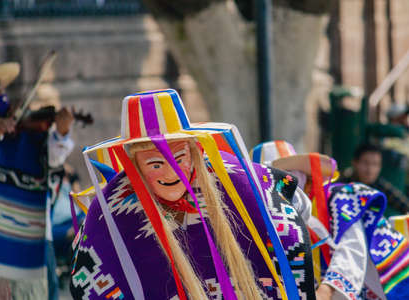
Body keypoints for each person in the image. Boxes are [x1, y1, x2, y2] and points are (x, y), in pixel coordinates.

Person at [70, 89, 316, 299]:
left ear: (196, 151)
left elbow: (296, 213)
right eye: (155, 164)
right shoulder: (112, 212)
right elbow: (92, 272)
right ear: (133, 166)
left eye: (179, 158)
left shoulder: (238, 182)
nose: (170, 173)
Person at [251, 140, 409, 300]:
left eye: (284, 178)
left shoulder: (340, 197)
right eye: (269, 182)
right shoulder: (284, 220)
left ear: (305, 177)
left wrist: (325, 290)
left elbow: (352, 250)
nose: (279, 187)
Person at [0, 62, 74, 299]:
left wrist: (62, 131)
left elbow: (54, 158)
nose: (2, 95)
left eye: (2, 88)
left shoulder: (26, 133)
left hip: (36, 235)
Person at [342, 143, 409, 216]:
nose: (370, 170)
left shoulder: (380, 185)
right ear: (354, 163)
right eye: (365, 163)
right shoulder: (343, 184)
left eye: (375, 164)